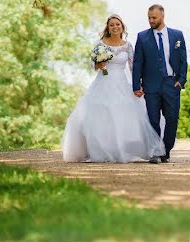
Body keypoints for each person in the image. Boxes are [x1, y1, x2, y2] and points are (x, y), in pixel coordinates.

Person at [62, 14, 166, 163]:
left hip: (122, 84)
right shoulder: (100, 44)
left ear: (122, 27)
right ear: (108, 28)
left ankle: (124, 149)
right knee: (100, 116)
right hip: (103, 82)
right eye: (112, 25)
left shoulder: (128, 45)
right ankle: (101, 151)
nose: (115, 27)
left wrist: (138, 84)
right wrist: (100, 63)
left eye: (118, 24)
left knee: (124, 114)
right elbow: (93, 66)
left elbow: (132, 67)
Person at [132, 4, 187, 162]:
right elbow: (138, 63)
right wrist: (137, 85)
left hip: (171, 84)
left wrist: (181, 81)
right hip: (151, 86)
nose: (151, 20)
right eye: (149, 17)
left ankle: (166, 150)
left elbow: (183, 60)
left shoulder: (177, 35)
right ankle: (156, 151)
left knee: (172, 118)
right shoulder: (142, 37)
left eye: (154, 17)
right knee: (153, 119)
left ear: (162, 16)